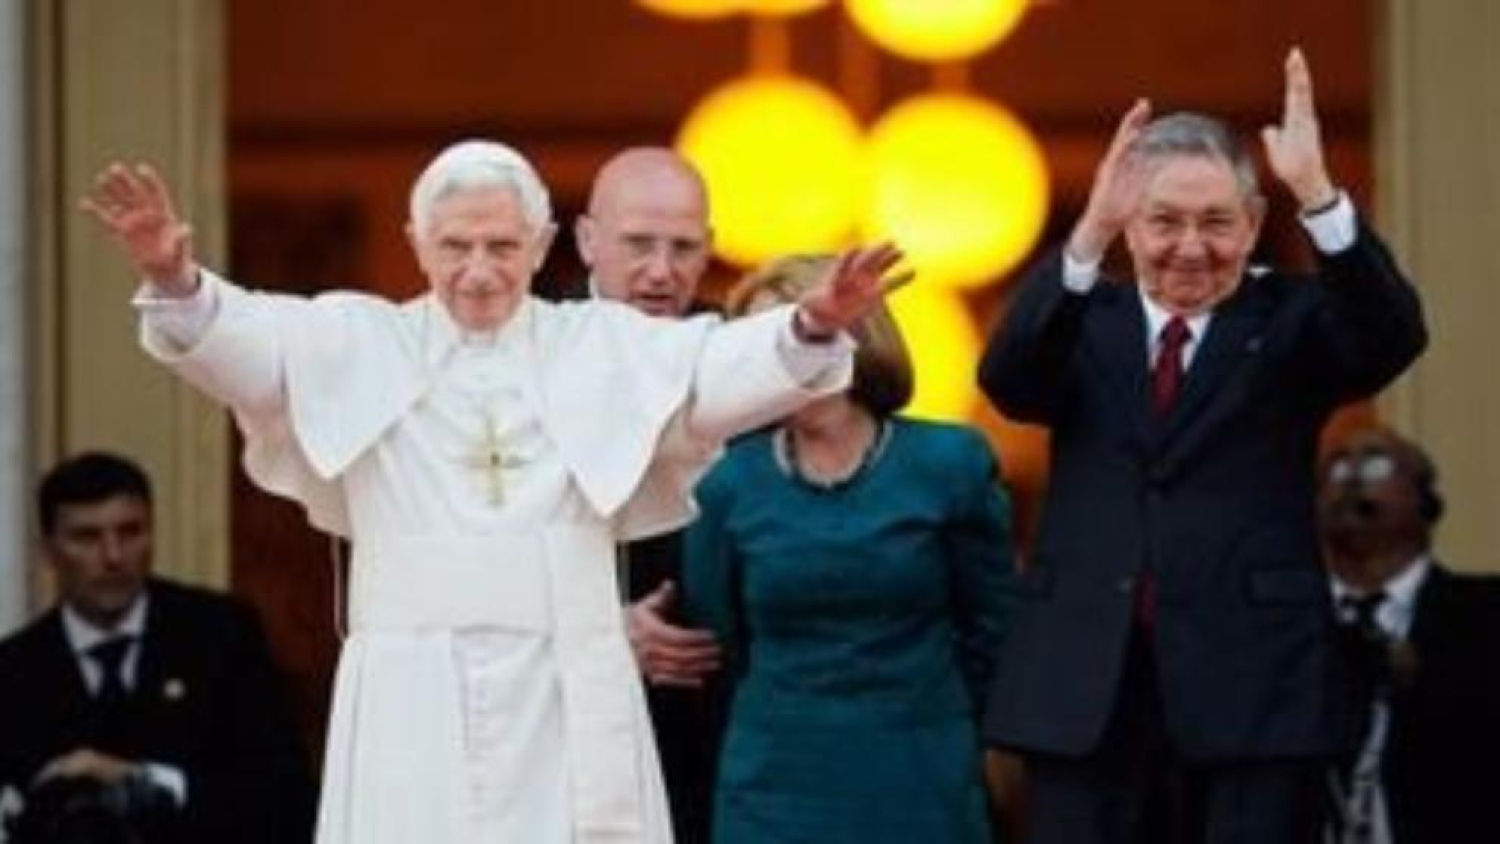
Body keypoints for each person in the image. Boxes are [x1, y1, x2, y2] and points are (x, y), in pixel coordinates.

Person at [80, 139, 903, 844]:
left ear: (543, 244)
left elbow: (714, 372)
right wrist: (176, 275)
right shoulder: (358, 340)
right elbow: (242, 343)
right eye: (455, 246)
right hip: (410, 688)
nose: (478, 272)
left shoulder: (603, 346)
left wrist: (812, 324)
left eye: (502, 248)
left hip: (564, 687)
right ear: (417, 242)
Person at [978, 49, 1427, 843]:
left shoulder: (1293, 321)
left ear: (1253, 224)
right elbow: (1010, 379)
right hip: (1090, 691)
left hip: (1254, 690)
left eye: (1217, 221)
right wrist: (1089, 231)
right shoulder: (1085, 317)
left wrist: (1319, 196)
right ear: (1130, 226)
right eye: (1165, 222)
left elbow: (1390, 338)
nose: (1191, 246)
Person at [683, 255, 1016, 843]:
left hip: (922, 776)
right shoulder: (728, 483)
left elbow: (992, 627)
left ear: (861, 335)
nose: (793, 362)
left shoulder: (949, 464)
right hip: (773, 784)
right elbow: (721, 633)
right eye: (772, 347)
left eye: (813, 332)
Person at [0, 451, 315, 843]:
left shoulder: (219, 637)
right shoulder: (14, 670)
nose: (113, 557)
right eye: (86, 537)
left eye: (130, 532)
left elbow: (284, 798)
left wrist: (145, 782)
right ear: (48, 550)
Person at [575, 146, 724, 844]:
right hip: (566, 736)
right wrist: (601, 634)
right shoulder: (518, 352)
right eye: (638, 244)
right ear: (586, 240)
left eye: (683, 248)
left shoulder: (743, 354)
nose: (661, 271)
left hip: (722, 726)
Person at [1318, 428, 1500, 844]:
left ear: (1426, 501)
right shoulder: (1277, 630)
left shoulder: (1486, 617)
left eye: (1376, 463)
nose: (1351, 478)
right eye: (1337, 466)